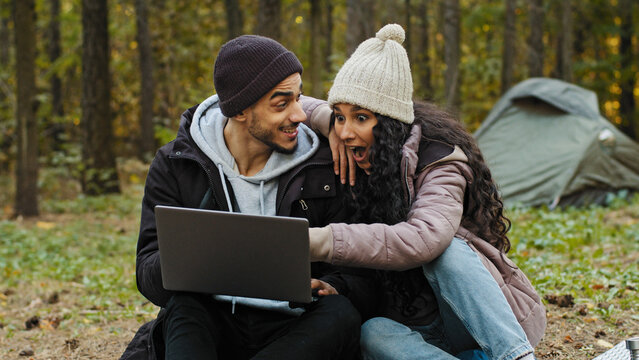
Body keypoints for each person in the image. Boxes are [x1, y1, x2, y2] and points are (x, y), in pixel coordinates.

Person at [121, 34, 373, 360]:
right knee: (184, 308)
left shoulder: (327, 163)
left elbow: (365, 273)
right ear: (240, 111)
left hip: (296, 323)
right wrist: (191, 259)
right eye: (282, 104)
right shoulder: (177, 164)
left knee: (340, 313)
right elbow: (148, 275)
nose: (300, 114)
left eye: (298, 98)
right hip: (212, 318)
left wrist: (336, 286)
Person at [309, 24, 546, 360]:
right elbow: (294, 102)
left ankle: (518, 358)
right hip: (419, 331)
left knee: (445, 252)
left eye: (360, 118)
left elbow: (424, 239)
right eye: (340, 117)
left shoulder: (441, 160)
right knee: (372, 331)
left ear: (390, 124)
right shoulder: (354, 149)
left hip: (472, 326)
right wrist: (325, 120)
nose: (346, 132)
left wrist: (321, 240)